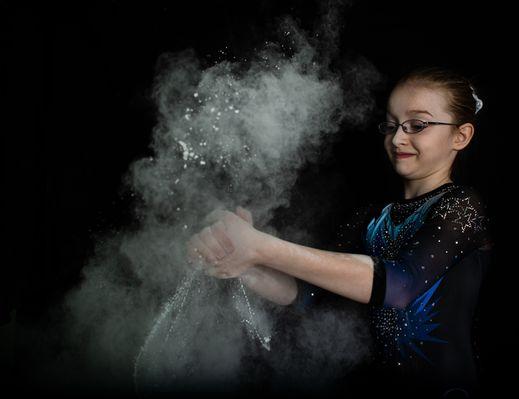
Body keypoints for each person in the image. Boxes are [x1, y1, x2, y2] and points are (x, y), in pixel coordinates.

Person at [186, 66, 494, 398]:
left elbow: (401, 284)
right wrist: (244, 263)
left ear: (460, 136)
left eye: (417, 125)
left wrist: (261, 246)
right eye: (391, 125)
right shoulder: (371, 217)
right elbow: (307, 294)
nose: (398, 138)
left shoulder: (462, 206)